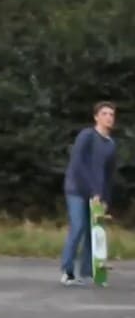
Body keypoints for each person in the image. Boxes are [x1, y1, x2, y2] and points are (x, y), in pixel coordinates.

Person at [60, 100, 118, 285]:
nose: (109, 117)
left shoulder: (110, 144)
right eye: (105, 114)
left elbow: (109, 175)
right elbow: (78, 164)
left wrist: (105, 197)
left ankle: (86, 273)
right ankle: (67, 272)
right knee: (77, 227)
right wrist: (93, 190)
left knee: (93, 233)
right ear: (96, 117)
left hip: (96, 194)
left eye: (111, 115)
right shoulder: (87, 135)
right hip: (77, 189)